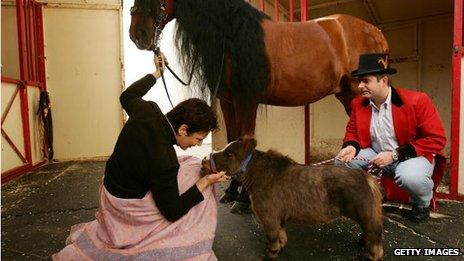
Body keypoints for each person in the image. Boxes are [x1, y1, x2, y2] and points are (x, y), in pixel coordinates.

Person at [53, 54, 230, 260]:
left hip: (109, 188)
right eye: (198, 138)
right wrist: (206, 181)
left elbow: (126, 96)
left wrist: (157, 73)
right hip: (125, 205)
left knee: (189, 163)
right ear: (183, 129)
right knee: (197, 177)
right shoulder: (165, 160)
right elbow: (172, 212)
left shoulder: (147, 109)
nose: (197, 145)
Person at [336, 53, 446, 223]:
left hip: (411, 157)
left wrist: (395, 155)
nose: (360, 86)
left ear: (384, 80)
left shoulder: (418, 100)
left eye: (366, 81)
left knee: (410, 176)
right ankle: (370, 196)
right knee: (342, 161)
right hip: (377, 156)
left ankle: (422, 204)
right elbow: (352, 132)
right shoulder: (358, 104)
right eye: (359, 81)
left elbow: (436, 138)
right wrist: (351, 146)